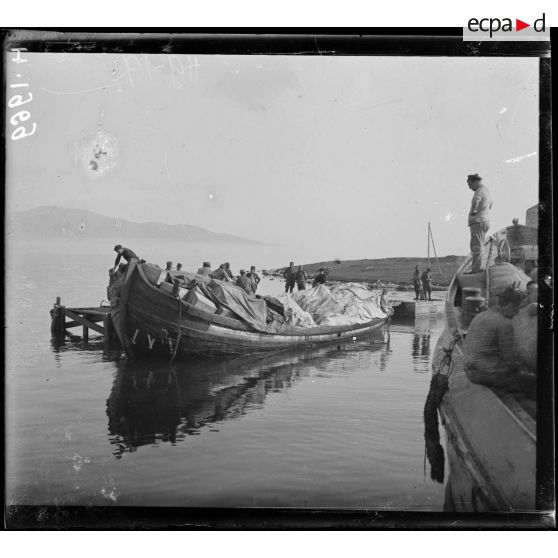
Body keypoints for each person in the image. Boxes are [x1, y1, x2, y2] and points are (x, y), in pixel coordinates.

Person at [463, 287, 533, 397]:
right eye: (517, 309)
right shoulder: (504, 323)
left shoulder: (481, 315)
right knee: (534, 383)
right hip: (486, 374)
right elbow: (510, 359)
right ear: (510, 306)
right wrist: (526, 368)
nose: (517, 313)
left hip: (470, 370)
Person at [467, 173, 492, 273]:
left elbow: (476, 201)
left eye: (470, 184)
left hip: (478, 221)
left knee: (476, 246)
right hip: (485, 220)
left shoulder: (479, 191)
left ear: (475, 182)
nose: (469, 187)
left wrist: (474, 211)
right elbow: (490, 205)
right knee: (479, 245)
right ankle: (479, 267)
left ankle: (477, 269)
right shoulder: (486, 191)